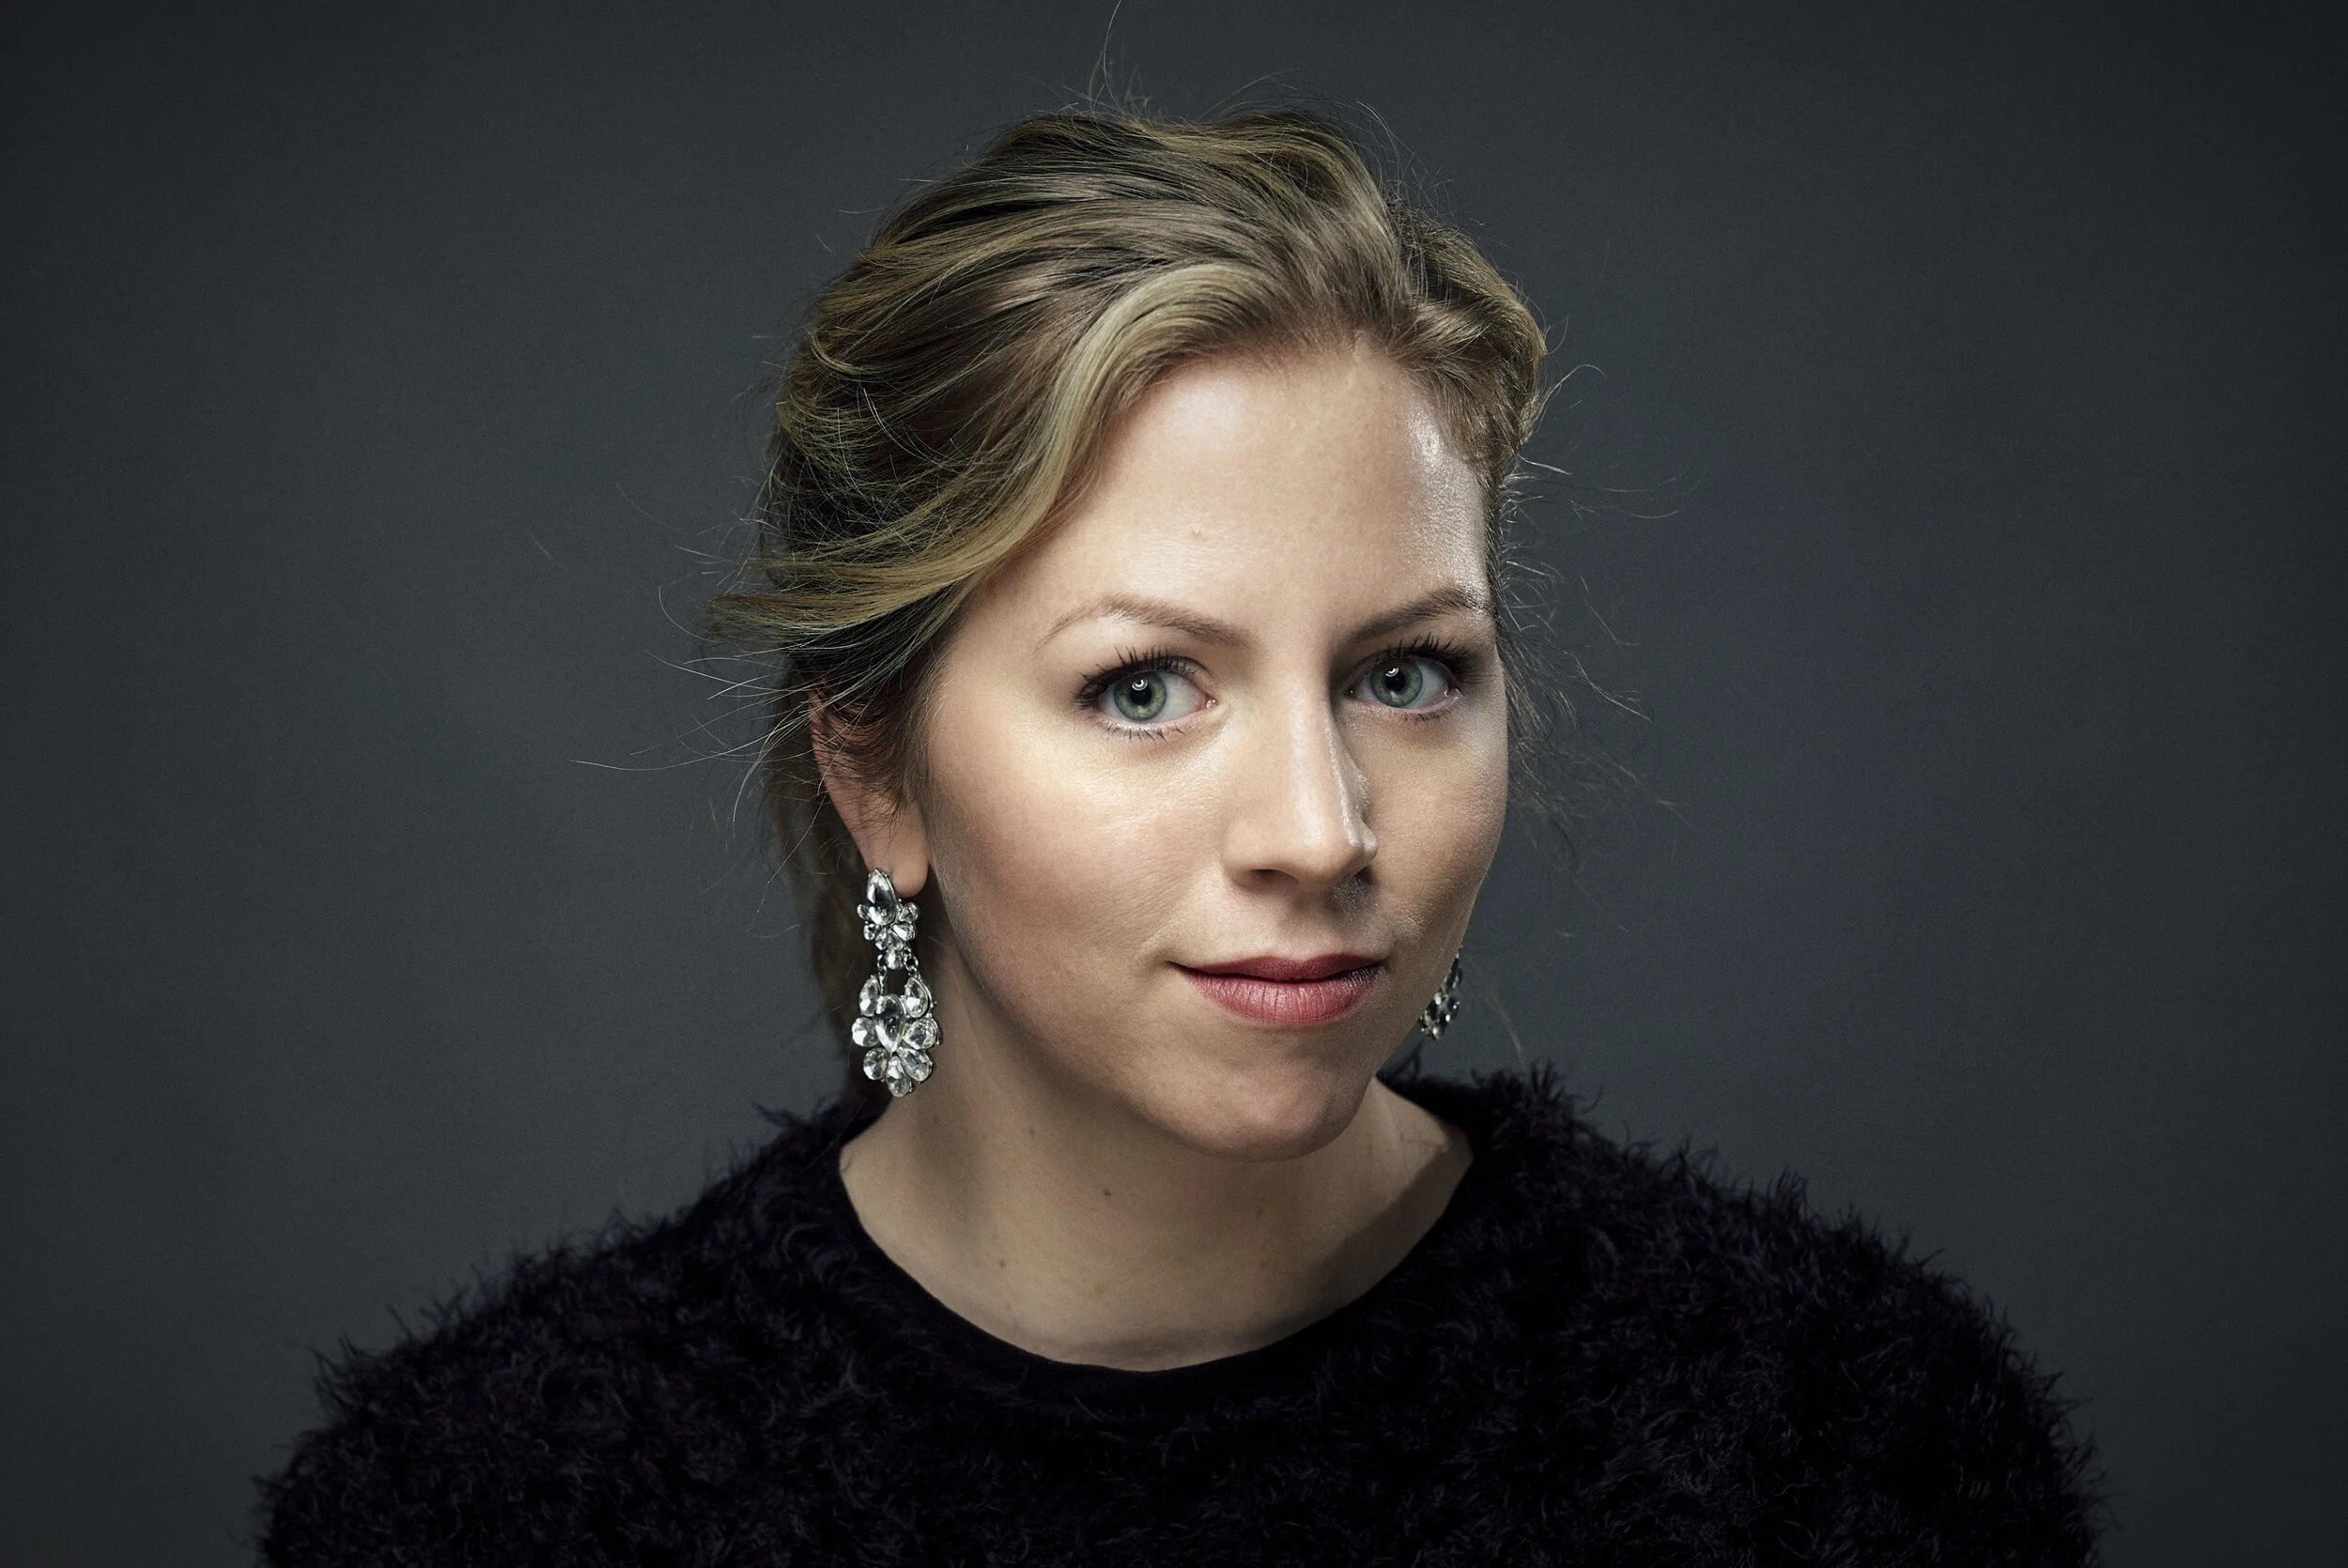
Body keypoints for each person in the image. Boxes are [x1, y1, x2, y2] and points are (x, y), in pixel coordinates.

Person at [261, 109, 2099, 1563]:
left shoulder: (1843, 1441)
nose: (1318, 828)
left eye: (1404, 674)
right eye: (1142, 686)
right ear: (874, 775)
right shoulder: (485, 1502)